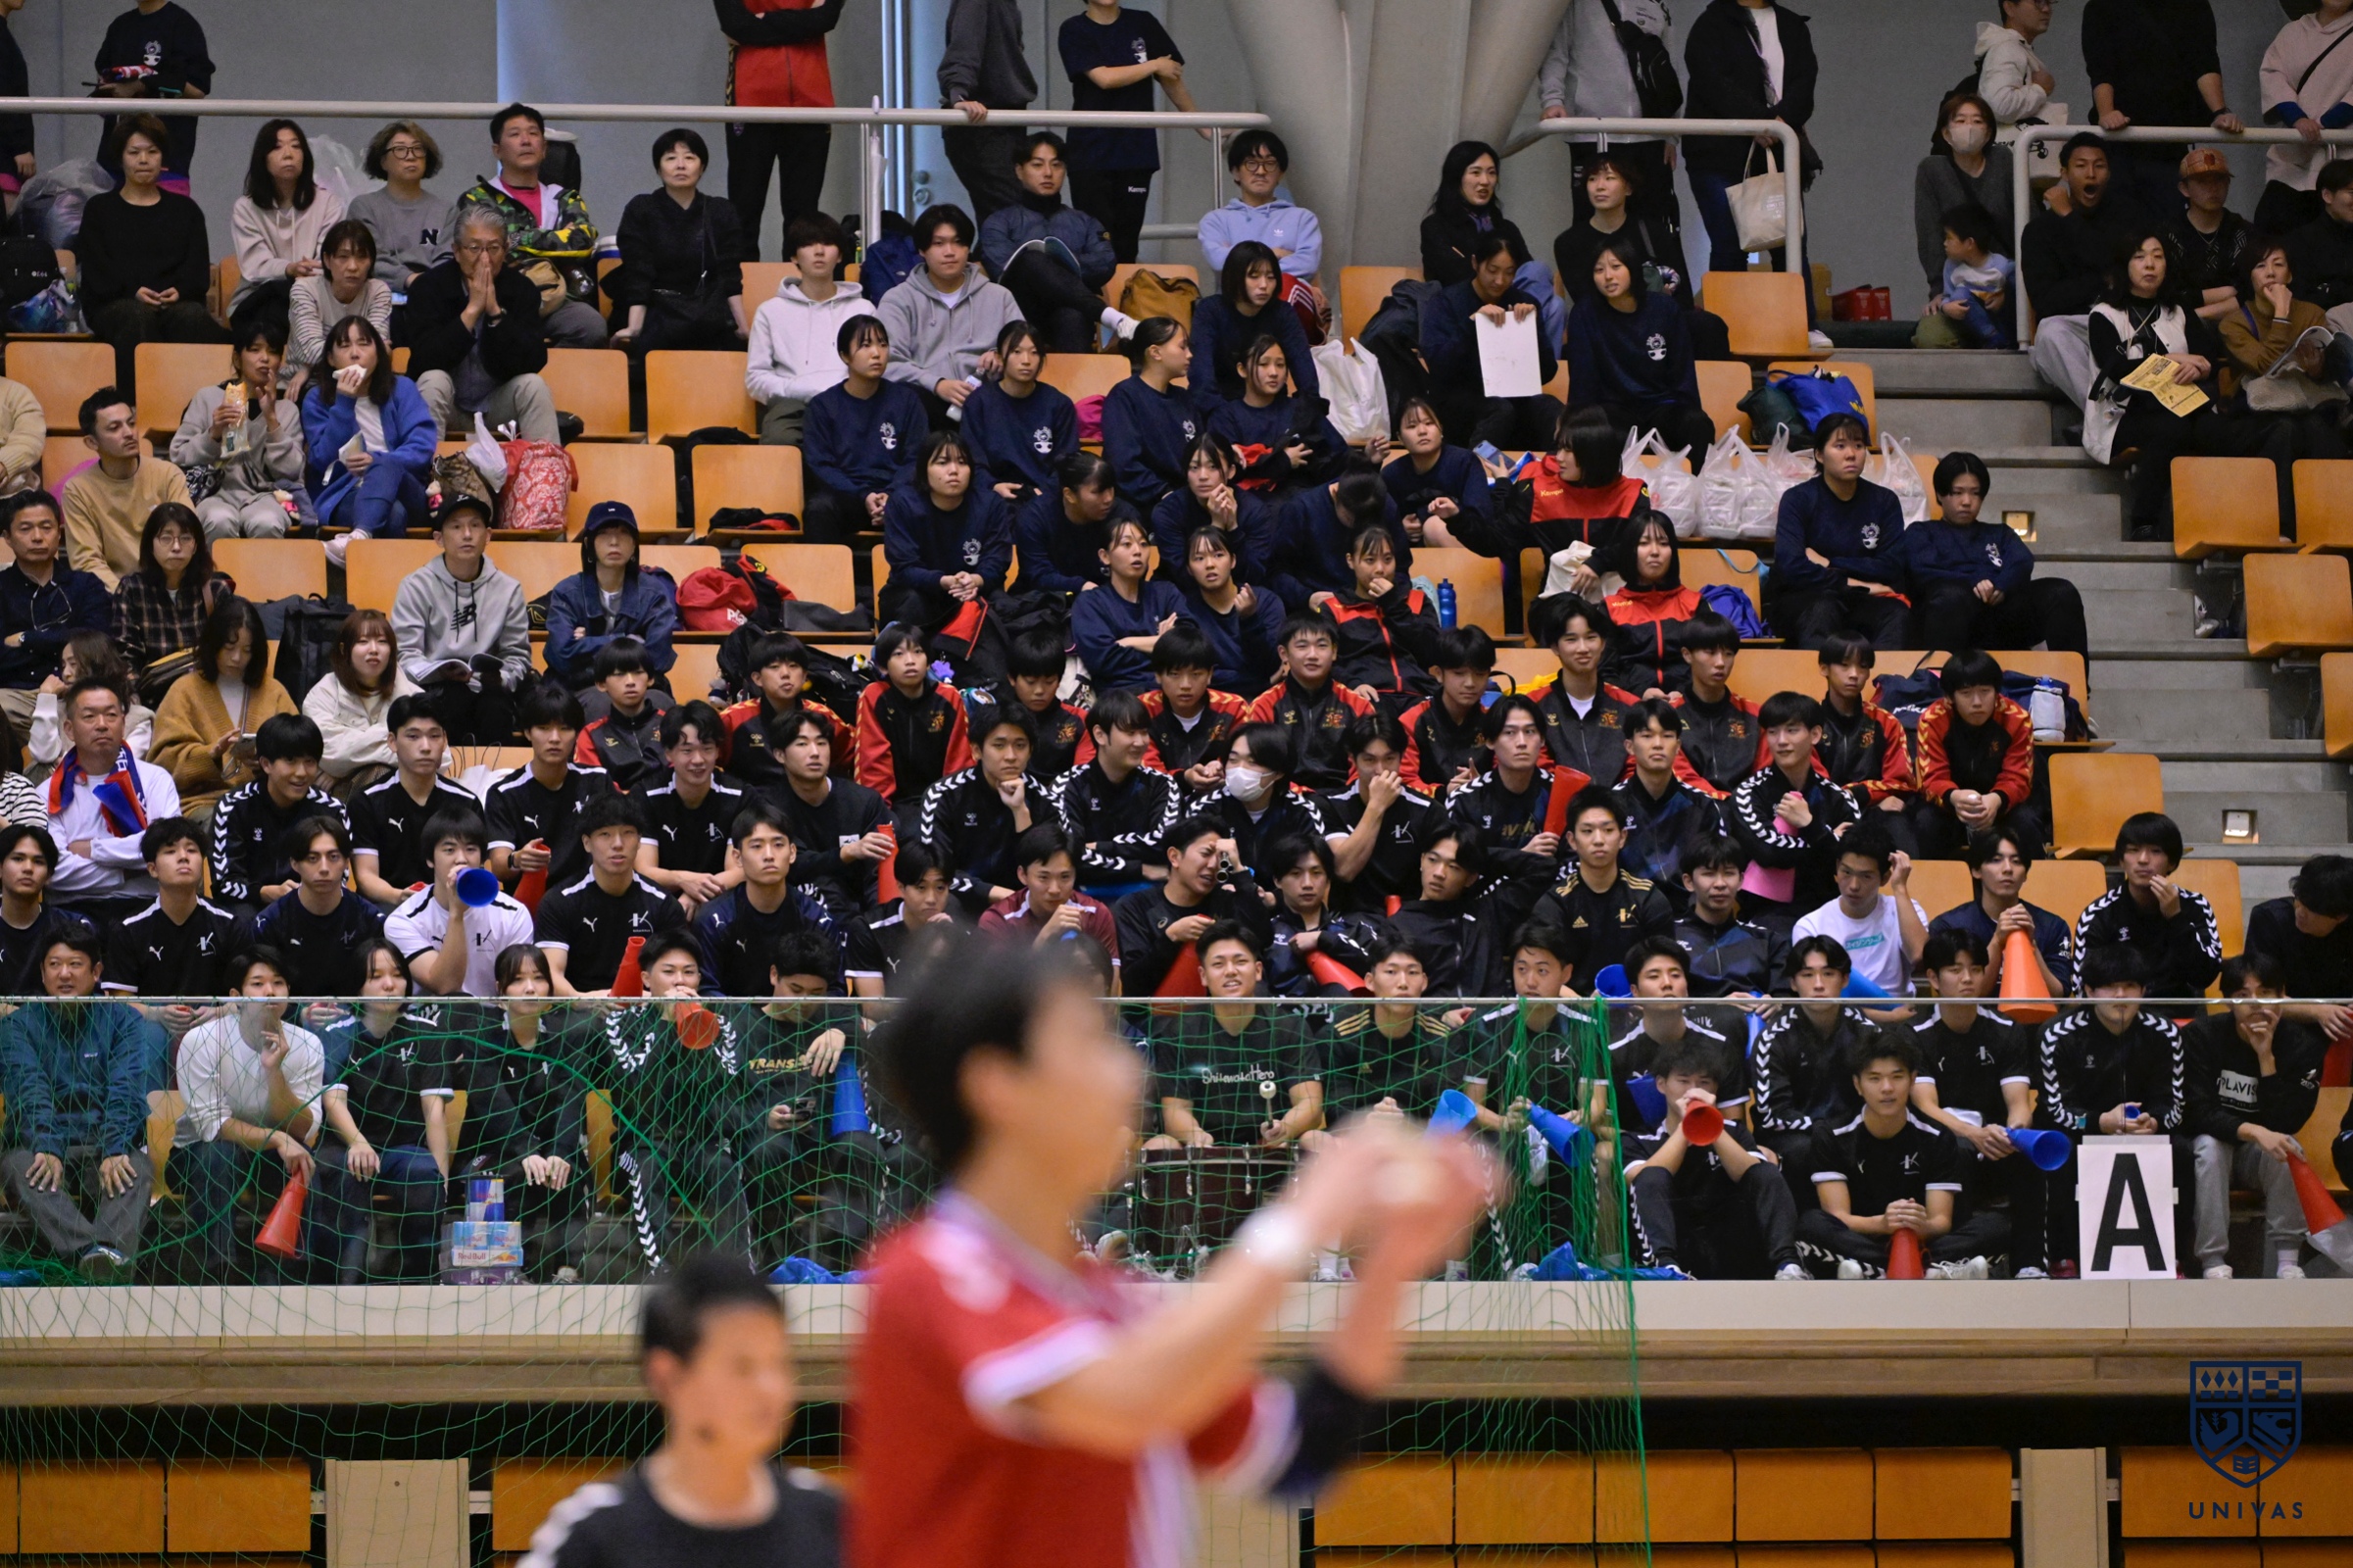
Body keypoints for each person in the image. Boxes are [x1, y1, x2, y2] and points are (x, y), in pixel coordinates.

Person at [853, 944, 1481, 1568]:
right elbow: (1127, 1396)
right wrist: (1304, 1213)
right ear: (997, 1086)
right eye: (1088, 1045)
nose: (1129, 1074)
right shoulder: (932, 1272)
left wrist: (1394, 1259)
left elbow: (1300, 1454)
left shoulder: (1112, 1298)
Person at [528, 1249, 842, 1553]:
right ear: (667, 1377)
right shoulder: (593, 1538)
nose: (770, 1388)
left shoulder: (830, 1523)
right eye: (742, 1367)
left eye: (779, 1364)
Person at [0, 929, 155, 1282]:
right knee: (22, 1166)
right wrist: (47, 1145)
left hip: (100, 1146)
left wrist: (115, 1147)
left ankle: (104, 1257)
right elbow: (28, 1089)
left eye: (75, 964)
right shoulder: (17, 1026)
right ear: (42, 973)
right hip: (41, 1147)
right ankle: (94, 1256)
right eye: (54, 965)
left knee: (137, 1166)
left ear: (96, 972)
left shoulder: (124, 1021)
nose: (64, 974)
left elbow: (127, 1088)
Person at [596, 930, 756, 1266]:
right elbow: (637, 1094)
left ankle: (736, 1271)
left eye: (689, 972)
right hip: (642, 1142)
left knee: (725, 1169)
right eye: (668, 972)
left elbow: (726, 1088)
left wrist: (697, 1029)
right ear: (646, 979)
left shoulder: (721, 1026)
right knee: (647, 1170)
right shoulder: (620, 1023)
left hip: (703, 1140)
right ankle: (663, 1271)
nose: (680, 981)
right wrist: (668, 1025)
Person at [2033, 944, 2190, 1277]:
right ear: (2089, 990)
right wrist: (2098, 1122)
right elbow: (2056, 1108)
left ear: (2144, 990)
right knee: (2057, 1151)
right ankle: (2062, 1256)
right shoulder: (2056, 1034)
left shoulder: (2166, 1034)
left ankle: (2174, 1256)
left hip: (2143, 1132)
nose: (2120, 995)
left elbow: (2174, 1105)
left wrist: (2155, 1121)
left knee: (2182, 1151)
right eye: (2109, 986)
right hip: (2079, 1130)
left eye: (2130, 986)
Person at [1796, 1035, 2007, 1279]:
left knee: (1997, 1227)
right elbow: (1838, 1216)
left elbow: (1940, 1221)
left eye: (1897, 1077)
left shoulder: (1937, 1136)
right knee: (1811, 1224)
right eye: (1875, 1078)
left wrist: (1919, 1225)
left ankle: (1873, 1272)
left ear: (1912, 1080)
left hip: (1922, 1242)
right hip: (1862, 1239)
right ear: (1858, 1085)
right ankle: (1932, 1272)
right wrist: (1883, 1223)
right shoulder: (1832, 1134)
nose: (1887, 1088)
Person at [171, 947, 322, 1284]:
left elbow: (302, 1128)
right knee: (218, 1156)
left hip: (272, 1155)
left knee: (306, 1162)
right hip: (197, 1155)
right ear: (236, 996)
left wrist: (274, 1071)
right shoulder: (201, 1040)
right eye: (258, 983)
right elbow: (212, 1125)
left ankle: (288, 1275)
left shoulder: (308, 1044)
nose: (270, 992)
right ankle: (217, 1271)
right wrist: (277, 1138)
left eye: (278, 983)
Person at [1683, 0, 1827, 348]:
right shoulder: (1710, 23)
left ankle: (1801, 325)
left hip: (1776, 149)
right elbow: (1711, 82)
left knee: (1789, 241)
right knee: (1728, 244)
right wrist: (1756, 121)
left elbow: (1804, 83)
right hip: (1717, 154)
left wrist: (1779, 122)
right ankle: (1724, 336)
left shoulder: (1792, 24)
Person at [2183, 954, 2327, 1280]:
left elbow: (2287, 1122)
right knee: (2209, 1147)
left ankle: (2287, 1261)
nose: (2256, 1003)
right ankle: (2213, 1261)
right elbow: (2195, 1112)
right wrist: (2252, 1130)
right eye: (2243, 995)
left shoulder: (2303, 1046)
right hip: (2213, 1146)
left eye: (2265, 993)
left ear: (2281, 996)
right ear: (2227, 1002)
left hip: (2256, 1156)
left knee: (2287, 1147)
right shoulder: (2200, 1036)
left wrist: (2266, 1059)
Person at [313, 941, 447, 1282]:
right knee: (343, 1172)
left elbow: (434, 1112)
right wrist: (357, 1143)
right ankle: (343, 1282)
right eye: (376, 976)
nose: (390, 984)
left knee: (425, 1174)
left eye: (397, 974)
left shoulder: (427, 1033)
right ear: (358, 986)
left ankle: (420, 1280)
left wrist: (442, 1177)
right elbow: (334, 1100)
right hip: (347, 1146)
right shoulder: (336, 1033)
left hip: (403, 1150)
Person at [450, 943, 586, 1279]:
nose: (530, 988)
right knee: (509, 1175)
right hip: (489, 1150)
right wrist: (526, 1150)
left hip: (547, 1148)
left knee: (569, 1170)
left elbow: (571, 1100)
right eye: (518, 980)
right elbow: (490, 1101)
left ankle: (567, 1270)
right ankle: (500, 1271)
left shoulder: (568, 1035)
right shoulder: (480, 1035)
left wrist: (560, 1152)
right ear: (501, 990)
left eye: (538, 978)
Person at [1627, 1036, 1802, 1281]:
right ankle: (1664, 1269)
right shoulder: (1638, 1139)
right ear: (1661, 1084)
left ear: (1715, 1090)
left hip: (1731, 1241)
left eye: (1704, 1082)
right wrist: (1687, 1126)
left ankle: (1787, 1265)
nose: (1693, 1091)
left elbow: (1755, 1176)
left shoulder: (1734, 1132)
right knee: (1650, 1175)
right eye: (1683, 1081)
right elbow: (1639, 1181)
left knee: (1764, 1170)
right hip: (1678, 1238)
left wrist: (1710, 1124)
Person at [72, 114, 222, 390]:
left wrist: (179, 291)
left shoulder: (186, 210)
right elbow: (96, 271)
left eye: (152, 152)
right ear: (121, 158)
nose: (143, 160)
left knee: (193, 317)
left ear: (162, 158)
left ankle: (196, 404)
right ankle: (133, 404)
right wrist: (132, 291)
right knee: (135, 316)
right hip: (116, 303)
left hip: (174, 304)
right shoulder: (99, 210)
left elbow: (197, 269)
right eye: (134, 152)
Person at [448, 104, 607, 348]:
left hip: (556, 296)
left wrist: (518, 239)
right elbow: (482, 253)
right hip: (498, 295)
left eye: (533, 133)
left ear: (544, 149)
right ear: (497, 150)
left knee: (591, 326)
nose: (526, 141)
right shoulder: (477, 199)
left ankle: (550, 372)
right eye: (515, 134)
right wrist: (556, 238)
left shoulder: (564, 198)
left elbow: (583, 242)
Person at [403, 207, 561, 446]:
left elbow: (533, 360)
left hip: (498, 406)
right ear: (456, 251)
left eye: (493, 248)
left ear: (505, 250)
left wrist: (495, 313)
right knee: (433, 380)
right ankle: (423, 467)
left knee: (533, 386)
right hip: (448, 405)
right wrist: (471, 312)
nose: (484, 258)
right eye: (474, 248)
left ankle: (544, 469)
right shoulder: (428, 287)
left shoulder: (521, 289)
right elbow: (424, 359)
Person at [1903, 451, 2087, 657]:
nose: (1967, 501)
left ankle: (2074, 675)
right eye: (1957, 492)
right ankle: (1940, 674)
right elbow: (1923, 571)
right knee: (1950, 596)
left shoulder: (1999, 533)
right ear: (1940, 494)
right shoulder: (1922, 532)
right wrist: (1973, 581)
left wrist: (2001, 585)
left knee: (2061, 592)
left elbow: (2022, 561)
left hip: (2003, 618)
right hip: (1951, 618)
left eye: (1975, 493)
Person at [1055, 0, 1196, 265]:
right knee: (1096, 242)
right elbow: (1104, 78)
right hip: (1090, 152)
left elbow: (1171, 79)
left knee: (1126, 243)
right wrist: (1153, 65)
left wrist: (1202, 125)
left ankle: (1123, 291)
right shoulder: (1074, 28)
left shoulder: (1143, 23)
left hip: (1135, 151)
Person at [391, 495, 533, 745]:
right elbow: (405, 655)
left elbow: (517, 656)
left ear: (488, 535)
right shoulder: (415, 586)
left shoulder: (509, 589)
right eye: (456, 526)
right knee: (452, 700)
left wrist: (501, 678)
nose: (467, 535)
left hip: (488, 689)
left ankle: (495, 770)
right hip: (433, 688)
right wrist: (437, 673)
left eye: (475, 525)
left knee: (496, 707)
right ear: (439, 538)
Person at [2024, 133, 2152, 407]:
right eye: (2081, 166)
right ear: (2064, 173)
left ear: (2109, 172)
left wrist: (2069, 217)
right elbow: (2046, 301)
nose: (2091, 174)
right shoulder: (2039, 230)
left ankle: (2107, 420)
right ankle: (2107, 415)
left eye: (2099, 165)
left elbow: (2128, 271)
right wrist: (2102, 279)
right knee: (2049, 333)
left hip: (2123, 320)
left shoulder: (2128, 214)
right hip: (2074, 326)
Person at [974, 134, 1129, 356]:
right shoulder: (999, 221)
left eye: (1056, 165)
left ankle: (1077, 381)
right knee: (1031, 260)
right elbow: (1003, 269)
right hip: (1018, 313)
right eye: (1037, 165)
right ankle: (1109, 316)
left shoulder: (1085, 221)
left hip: (1072, 312)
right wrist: (1049, 267)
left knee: (1072, 315)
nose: (1048, 173)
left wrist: (1055, 270)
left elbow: (1105, 264)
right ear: (1019, 171)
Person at [2082, 0, 2237, 218]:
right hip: (2119, 142)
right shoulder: (2102, 6)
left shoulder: (2193, 5)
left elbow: (2204, 61)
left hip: (2170, 142)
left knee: (2168, 225)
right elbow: (2100, 68)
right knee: (2118, 224)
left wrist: (2219, 112)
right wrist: (2106, 112)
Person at [1768, 414, 1908, 651]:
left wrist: (1829, 563)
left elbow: (1892, 565)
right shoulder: (1797, 499)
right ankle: (1818, 676)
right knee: (1823, 608)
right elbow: (1792, 567)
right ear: (1819, 455)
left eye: (1858, 445)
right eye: (1840, 446)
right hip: (1806, 597)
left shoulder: (1885, 501)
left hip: (1863, 600)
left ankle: (1884, 675)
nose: (1851, 454)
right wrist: (1854, 583)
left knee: (1897, 614)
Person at [149, 597, 297, 822]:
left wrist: (268, 764)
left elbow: (298, 748)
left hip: (266, 800)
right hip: (203, 804)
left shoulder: (273, 691)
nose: (237, 658)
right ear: (213, 644)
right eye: (229, 648)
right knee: (233, 825)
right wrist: (211, 756)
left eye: (247, 650)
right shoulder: (184, 691)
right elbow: (162, 765)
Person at [878, 205, 1025, 428]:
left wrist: (1001, 356)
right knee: (906, 398)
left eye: (958, 242)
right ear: (922, 250)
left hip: (986, 400)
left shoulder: (999, 296)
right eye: (939, 243)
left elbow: (1024, 350)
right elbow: (889, 362)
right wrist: (937, 384)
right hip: (925, 401)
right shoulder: (898, 299)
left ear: (968, 248)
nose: (950, 252)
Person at [301, 316, 438, 554]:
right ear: (331, 359)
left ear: (378, 352)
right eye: (345, 346)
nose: (355, 353)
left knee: (385, 463)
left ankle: (356, 540)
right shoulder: (317, 398)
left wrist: (377, 461)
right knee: (394, 515)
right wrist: (344, 403)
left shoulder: (402, 389)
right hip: (345, 493)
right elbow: (323, 460)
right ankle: (363, 537)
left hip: (405, 487)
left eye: (364, 344)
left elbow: (422, 446)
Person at [1538, 0, 1681, 228]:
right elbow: (1556, 52)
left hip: (1650, 137)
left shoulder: (1657, 4)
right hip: (1592, 133)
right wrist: (1552, 100)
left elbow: (1670, 71)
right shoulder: (1576, 4)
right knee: (1591, 226)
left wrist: (1672, 133)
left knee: (1653, 226)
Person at [607, 127, 750, 354]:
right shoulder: (641, 208)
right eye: (671, 158)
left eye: (690, 158)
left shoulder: (721, 210)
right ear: (658, 168)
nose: (680, 165)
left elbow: (729, 273)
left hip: (708, 315)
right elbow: (638, 271)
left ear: (702, 167)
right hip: (654, 313)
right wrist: (634, 326)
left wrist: (742, 326)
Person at [1567, 241, 1713, 461]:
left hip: (1662, 407)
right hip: (1613, 411)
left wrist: (1689, 411)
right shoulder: (1584, 313)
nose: (1608, 276)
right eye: (1599, 270)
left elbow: (1683, 375)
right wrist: (1576, 422)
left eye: (1616, 267)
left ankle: (1698, 483)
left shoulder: (1665, 308)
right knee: (1597, 433)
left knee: (1697, 424)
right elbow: (1582, 381)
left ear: (1633, 268)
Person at [46, 679, 182, 913]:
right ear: (69, 729)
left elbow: (167, 846)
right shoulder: (50, 792)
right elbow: (54, 870)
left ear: (123, 723)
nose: (102, 725)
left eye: (110, 715)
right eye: (89, 716)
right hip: (73, 909)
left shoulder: (155, 779)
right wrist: (127, 871)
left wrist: (92, 849)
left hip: (148, 906)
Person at [1727, 691, 1861, 928]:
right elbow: (1769, 853)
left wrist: (1809, 824)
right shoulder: (1748, 793)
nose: (1781, 741)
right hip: (1766, 916)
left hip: (1830, 911)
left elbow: (1855, 858)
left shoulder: (1838, 797)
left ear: (1815, 734)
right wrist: (1828, 838)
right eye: (1772, 732)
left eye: (1791, 730)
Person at [1416, 233, 1561, 452]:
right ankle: (1477, 467)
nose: (1500, 280)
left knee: (1550, 407)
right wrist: (1472, 324)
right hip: (1460, 400)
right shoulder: (1446, 302)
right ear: (1476, 263)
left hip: (1513, 398)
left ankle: (1550, 469)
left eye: (1509, 272)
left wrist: (1530, 332)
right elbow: (1439, 367)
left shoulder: (1524, 303)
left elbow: (1548, 371)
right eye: (1492, 270)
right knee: (1499, 410)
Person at [2219, 240, 2350, 479]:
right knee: (2285, 429)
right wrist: (2281, 313)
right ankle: (2279, 504)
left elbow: (2330, 366)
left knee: (2317, 427)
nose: (2270, 272)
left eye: (2278, 264)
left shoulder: (2312, 313)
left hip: (2309, 401)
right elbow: (2264, 365)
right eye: (2260, 266)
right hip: (2258, 411)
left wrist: (2316, 368)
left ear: (2289, 275)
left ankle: (2326, 501)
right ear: (2251, 276)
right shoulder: (2233, 323)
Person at [534, 792, 686, 997]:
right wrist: (584, 1000)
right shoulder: (558, 902)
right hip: (578, 1008)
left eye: (627, 833)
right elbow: (550, 974)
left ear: (639, 841)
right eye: (605, 834)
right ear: (587, 843)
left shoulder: (664, 904)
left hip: (645, 1006)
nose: (617, 844)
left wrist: (647, 999)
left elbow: (676, 974)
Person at [1528, 786, 1676, 993]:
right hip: (1571, 1007)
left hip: (1637, 1004)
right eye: (1587, 831)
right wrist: (1584, 1006)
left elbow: (1665, 968)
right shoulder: (1554, 903)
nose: (1598, 840)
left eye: (1608, 830)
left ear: (1622, 837)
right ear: (1572, 840)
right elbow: (1542, 972)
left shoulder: (1648, 899)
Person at [1752, 936, 1880, 1169]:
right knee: (1808, 1149)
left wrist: (1843, 1130)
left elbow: (1879, 1097)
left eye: (1828, 973)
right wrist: (1827, 1131)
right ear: (1793, 983)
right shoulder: (1773, 1038)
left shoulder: (1867, 1033)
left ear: (1844, 979)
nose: (1819, 984)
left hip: (1854, 1131)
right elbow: (1774, 1114)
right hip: (1793, 1137)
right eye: (1808, 975)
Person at [170, 320, 304, 542]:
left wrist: (272, 420)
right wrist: (213, 433)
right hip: (213, 493)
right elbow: (178, 456)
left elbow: (292, 471)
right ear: (237, 359)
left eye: (273, 352)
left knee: (266, 522)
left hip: (268, 496)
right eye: (255, 350)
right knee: (219, 520)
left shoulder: (287, 409)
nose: (264, 358)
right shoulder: (207, 397)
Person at [746, 215, 873, 449]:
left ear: (840, 255)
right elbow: (756, 378)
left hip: (850, 401)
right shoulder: (770, 311)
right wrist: (798, 388)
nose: (819, 251)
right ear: (794, 256)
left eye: (828, 243)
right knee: (779, 439)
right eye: (808, 244)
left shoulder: (863, 309)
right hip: (791, 404)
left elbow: (877, 366)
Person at [383, 806, 535, 1002]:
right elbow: (446, 986)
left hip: (494, 1016)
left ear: (482, 858)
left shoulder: (514, 914)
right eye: (449, 850)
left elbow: (519, 989)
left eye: (471, 849)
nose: (461, 859)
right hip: (432, 1017)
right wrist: (457, 913)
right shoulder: (404, 920)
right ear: (430, 859)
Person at [688, 800, 837, 998]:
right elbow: (707, 990)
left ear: (792, 853)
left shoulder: (817, 919)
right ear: (737, 857)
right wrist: (755, 1018)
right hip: (731, 1017)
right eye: (757, 846)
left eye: (778, 845)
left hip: (801, 1015)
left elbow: (835, 991)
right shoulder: (713, 920)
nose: (769, 855)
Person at [2075, 811, 2223, 1007]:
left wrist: (2176, 919)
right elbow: (2083, 989)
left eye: (2155, 851)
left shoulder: (2195, 905)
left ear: (2172, 862)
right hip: (2120, 1016)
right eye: (2133, 850)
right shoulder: (2098, 914)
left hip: (2179, 1014)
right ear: (2121, 860)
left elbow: (2204, 976)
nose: (2143, 859)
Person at [802, 315, 929, 543]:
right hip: (846, 496)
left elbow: (916, 458)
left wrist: (890, 494)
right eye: (865, 345)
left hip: (896, 494)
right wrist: (862, 495)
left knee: (928, 505)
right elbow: (821, 465)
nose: (876, 353)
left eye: (883, 344)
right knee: (819, 508)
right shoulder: (822, 406)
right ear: (845, 356)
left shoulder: (907, 401)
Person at [1113, 815, 1274, 995]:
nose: (1213, 865)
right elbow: (1134, 984)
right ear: (1174, 857)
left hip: (1222, 1008)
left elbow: (1262, 939)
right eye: (1205, 854)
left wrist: (1238, 868)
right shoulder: (1134, 906)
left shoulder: (1227, 900)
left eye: (1221, 857)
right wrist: (1171, 937)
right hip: (1158, 1010)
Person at [0, 494, 113, 743]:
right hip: (17, 697)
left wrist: (27, 639)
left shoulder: (85, 585)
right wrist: (63, 641)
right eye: (25, 529)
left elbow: (97, 640)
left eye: (46, 527)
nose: (37, 537)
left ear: (59, 533)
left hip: (79, 690)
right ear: (7, 537)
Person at [487, 683, 614, 900]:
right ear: (527, 732)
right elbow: (500, 866)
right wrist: (517, 859)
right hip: (532, 903)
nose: (555, 738)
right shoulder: (504, 793)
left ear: (577, 733)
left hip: (591, 898)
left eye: (564, 728)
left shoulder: (598, 780)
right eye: (544, 728)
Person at [1911, 650, 2041, 861]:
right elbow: (1932, 778)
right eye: (1966, 693)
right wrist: (1954, 797)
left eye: (1985, 691)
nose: (1977, 702)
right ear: (1949, 697)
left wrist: (1996, 799)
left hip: (2000, 805)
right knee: (1925, 822)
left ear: (1997, 692)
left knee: (2027, 821)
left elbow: (2018, 776)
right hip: (1950, 806)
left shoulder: (2018, 719)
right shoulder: (1932, 720)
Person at [879, 427, 1011, 635]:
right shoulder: (903, 502)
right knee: (911, 601)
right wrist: (944, 582)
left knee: (1002, 603)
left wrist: (975, 580)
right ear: (924, 469)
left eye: (962, 462)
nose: (954, 470)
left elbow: (998, 560)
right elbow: (904, 567)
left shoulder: (990, 504)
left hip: (972, 589)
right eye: (942, 463)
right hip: (918, 592)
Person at [206, 714, 341, 914]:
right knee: (241, 917)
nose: (301, 772)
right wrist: (264, 892)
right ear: (266, 764)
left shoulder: (332, 809)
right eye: (290, 761)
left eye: (310, 761)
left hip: (311, 906)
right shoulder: (233, 806)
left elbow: (340, 880)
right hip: (251, 905)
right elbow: (224, 884)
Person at [62, 388, 194, 592]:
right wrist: (127, 596)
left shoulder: (168, 475)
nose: (129, 433)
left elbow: (187, 536)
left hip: (168, 588)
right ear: (92, 442)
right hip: (113, 595)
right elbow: (87, 561)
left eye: (131, 423)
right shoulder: (78, 490)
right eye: (114, 428)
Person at [350, 694, 476, 905]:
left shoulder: (466, 802)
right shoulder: (367, 802)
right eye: (413, 736)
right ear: (392, 742)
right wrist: (400, 897)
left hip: (450, 904)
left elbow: (473, 870)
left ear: (445, 740)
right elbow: (366, 876)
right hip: (389, 905)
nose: (425, 746)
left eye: (434, 736)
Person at [545, 502, 681, 694]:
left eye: (623, 533)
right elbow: (561, 655)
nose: (614, 541)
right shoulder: (567, 591)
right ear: (588, 543)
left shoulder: (654, 593)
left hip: (638, 690)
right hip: (577, 688)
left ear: (634, 544)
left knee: (661, 702)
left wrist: (587, 643)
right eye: (604, 533)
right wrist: (625, 641)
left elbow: (658, 659)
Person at [1198, 130, 1326, 331]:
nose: (1260, 171)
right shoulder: (1216, 220)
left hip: (1288, 315)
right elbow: (1219, 261)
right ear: (1235, 172)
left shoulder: (1302, 218)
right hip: (1235, 314)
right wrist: (1276, 254)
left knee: (1286, 286)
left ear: (1281, 173)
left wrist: (1241, 260)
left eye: (1270, 163)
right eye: (1251, 163)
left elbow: (1307, 264)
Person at [1929, 824, 2076, 1000]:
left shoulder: (2054, 926)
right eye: (1996, 860)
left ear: (2026, 874)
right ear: (1976, 870)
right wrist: (1997, 941)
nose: (2008, 869)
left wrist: (2031, 945)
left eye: (2016, 861)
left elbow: (2057, 995)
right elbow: (1968, 995)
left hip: (2032, 1016)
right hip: (1974, 1016)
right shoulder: (1949, 926)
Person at [855, 623, 975, 831]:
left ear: (928, 661)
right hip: (895, 805)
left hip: (940, 801)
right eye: (899, 654)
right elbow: (873, 763)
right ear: (883, 666)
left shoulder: (948, 697)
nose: (910, 661)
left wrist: (953, 810)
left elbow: (959, 761)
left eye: (918, 652)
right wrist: (881, 818)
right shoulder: (874, 697)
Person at [103, 817, 238, 1001]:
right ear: (152, 869)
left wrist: (217, 1013)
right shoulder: (128, 930)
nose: (183, 857)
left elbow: (246, 999)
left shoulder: (230, 925)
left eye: (191, 850)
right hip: (148, 1019)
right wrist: (158, 1014)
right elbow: (121, 1004)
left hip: (217, 1018)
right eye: (170, 851)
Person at [248, 815, 384, 997]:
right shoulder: (269, 924)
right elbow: (264, 993)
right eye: (312, 858)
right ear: (294, 863)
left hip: (355, 1012)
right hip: (289, 1013)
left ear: (346, 862)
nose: (324, 868)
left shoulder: (371, 920)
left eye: (333, 857)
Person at [632, 702, 749, 914]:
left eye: (707, 749)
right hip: (660, 902)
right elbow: (644, 870)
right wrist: (683, 880)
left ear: (718, 751)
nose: (698, 760)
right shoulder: (646, 795)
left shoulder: (740, 796)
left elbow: (740, 870)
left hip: (723, 902)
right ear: (668, 753)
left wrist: (697, 892)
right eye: (687, 750)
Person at [1243, 612, 1377, 792]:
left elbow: (1370, 760)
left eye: (1322, 646)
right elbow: (1258, 763)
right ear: (1284, 654)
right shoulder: (1265, 705)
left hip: (1345, 797)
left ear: (1334, 652)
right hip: (1285, 796)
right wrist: (1299, 794)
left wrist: (1347, 795)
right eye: (1302, 646)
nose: (1313, 655)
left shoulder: (1358, 705)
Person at [1790, 822, 1927, 998]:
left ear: (1885, 877)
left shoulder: (1905, 909)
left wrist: (1900, 887)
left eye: (1866, 876)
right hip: (1839, 1012)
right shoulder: (1810, 926)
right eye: (1847, 872)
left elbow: (1919, 956)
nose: (1854, 886)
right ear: (1837, 867)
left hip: (1898, 1008)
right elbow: (1815, 993)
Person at [228, 119, 346, 319]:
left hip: (316, 295)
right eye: (277, 147)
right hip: (259, 297)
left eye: (296, 146)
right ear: (263, 159)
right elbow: (256, 265)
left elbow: (329, 261)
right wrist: (289, 268)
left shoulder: (328, 203)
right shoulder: (245, 208)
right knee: (277, 298)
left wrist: (303, 272)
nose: (288, 154)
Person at [715, 630, 856, 794]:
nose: (785, 674)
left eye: (793, 666)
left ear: (804, 677)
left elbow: (857, 756)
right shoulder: (733, 719)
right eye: (774, 667)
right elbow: (703, 757)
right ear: (757, 679)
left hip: (809, 801)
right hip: (752, 804)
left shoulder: (822, 716)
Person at [2257, 0, 2353, 237]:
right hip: (2293, 158)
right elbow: (2273, 75)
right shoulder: (2292, 32)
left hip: (2346, 159)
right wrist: (2297, 119)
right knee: (2275, 232)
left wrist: (2326, 124)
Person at [1315, 525, 1438, 709]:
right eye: (1370, 560)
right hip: (1366, 697)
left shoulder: (1416, 600)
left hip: (1418, 694)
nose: (1380, 569)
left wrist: (1394, 605)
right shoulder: (1333, 608)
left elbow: (1433, 652)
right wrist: (1352, 684)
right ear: (1351, 561)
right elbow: (1324, 661)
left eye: (1388, 559)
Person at [1913, 94, 2016, 313]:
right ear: (1946, 133)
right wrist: (1939, 291)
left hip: (2007, 280)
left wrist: (2016, 288)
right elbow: (1929, 233)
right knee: (1931, 331)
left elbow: (2026, 223)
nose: (1969, 127)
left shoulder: (2003, 160)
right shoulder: (1932, 170)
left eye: (1977, 121)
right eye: (1960, 121)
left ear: (1988, 132)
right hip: (1957, 285)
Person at [92, 0, 211, 190]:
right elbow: (103, 73)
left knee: (166, 210)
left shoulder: (182, 25)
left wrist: (142, 84)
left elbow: (198, 89)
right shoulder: (120, 26)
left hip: (167, 162)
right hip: (115, 162)